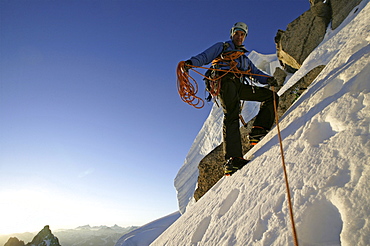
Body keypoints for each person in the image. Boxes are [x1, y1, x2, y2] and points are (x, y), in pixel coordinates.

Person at [184, 22, 279, 175]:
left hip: (238, 85)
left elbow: (255, 73)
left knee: (271, 96)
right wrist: (191, 63)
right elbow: (205, 56)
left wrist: (268, 80)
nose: (239, 37)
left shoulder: (243, 58)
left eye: (242, 35)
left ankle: (258, 130)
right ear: (232, 34)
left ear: (244, 37)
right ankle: (233, 159)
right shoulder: (222, 47)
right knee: (232, 115)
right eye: (237, 34)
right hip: (225, 82)